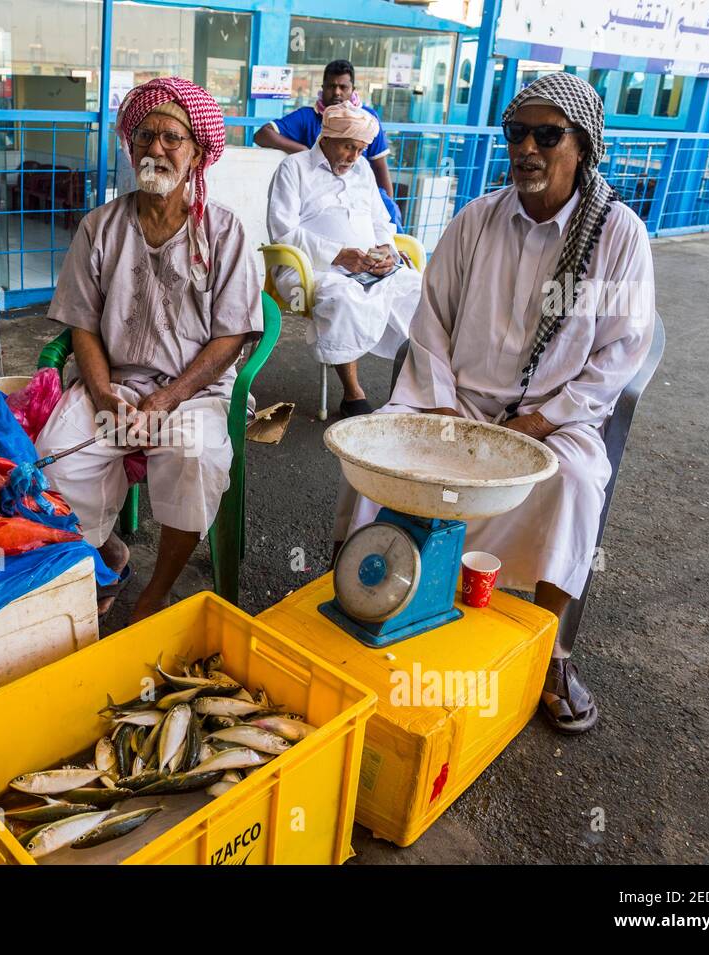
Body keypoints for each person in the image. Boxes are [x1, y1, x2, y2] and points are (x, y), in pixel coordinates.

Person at [332, 72, 657, 733]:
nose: (527, 149)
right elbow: (431, 326)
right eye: (517, 133)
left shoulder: (619, 236)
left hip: (553, 419)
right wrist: (445, 411)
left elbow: (620, 355)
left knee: (576, 482)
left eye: (547, 135)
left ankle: (554, 648)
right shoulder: (475, 219)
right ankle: (367, 598)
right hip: (454, 406)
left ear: (584, 146)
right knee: (375, 449)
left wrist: (543, 419)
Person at [34, 77, 262, 623]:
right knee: (54, 459)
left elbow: (231, 336)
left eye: (171, 138)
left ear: (198, 153)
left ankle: (157, 591)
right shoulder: (100, 226)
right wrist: (102, 392)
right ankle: (108, 555)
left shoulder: (224, 232)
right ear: (129, 145)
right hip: (112, 384)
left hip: (192, 391)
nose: (155, 149)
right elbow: (82, 327)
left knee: (196, 458)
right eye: (144, 135)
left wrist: (169, 398)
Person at [267, 103, 422, 417]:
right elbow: (281, 231)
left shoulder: (362, 169)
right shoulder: (294, 168)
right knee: (343, 298)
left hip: (367, 265)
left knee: (418, 292)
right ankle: (353, 392)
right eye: (349, 147)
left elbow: (380, 220)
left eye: (362, 149)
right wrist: (337, 255)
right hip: (313, 266)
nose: (354, 157)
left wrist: (384, 251)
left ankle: (408, 391)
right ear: (327, 137)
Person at [255, 59, 401, 226]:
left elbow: (380, 166)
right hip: (321, 200)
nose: (337, 92)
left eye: (343, 87)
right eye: (331, 86)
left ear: (352, 89)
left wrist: (389, 207)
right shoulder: (307, 117)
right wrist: (304, 151)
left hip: (361, 198)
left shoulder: (366, 119)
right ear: (323, 88)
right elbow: (262, 135)